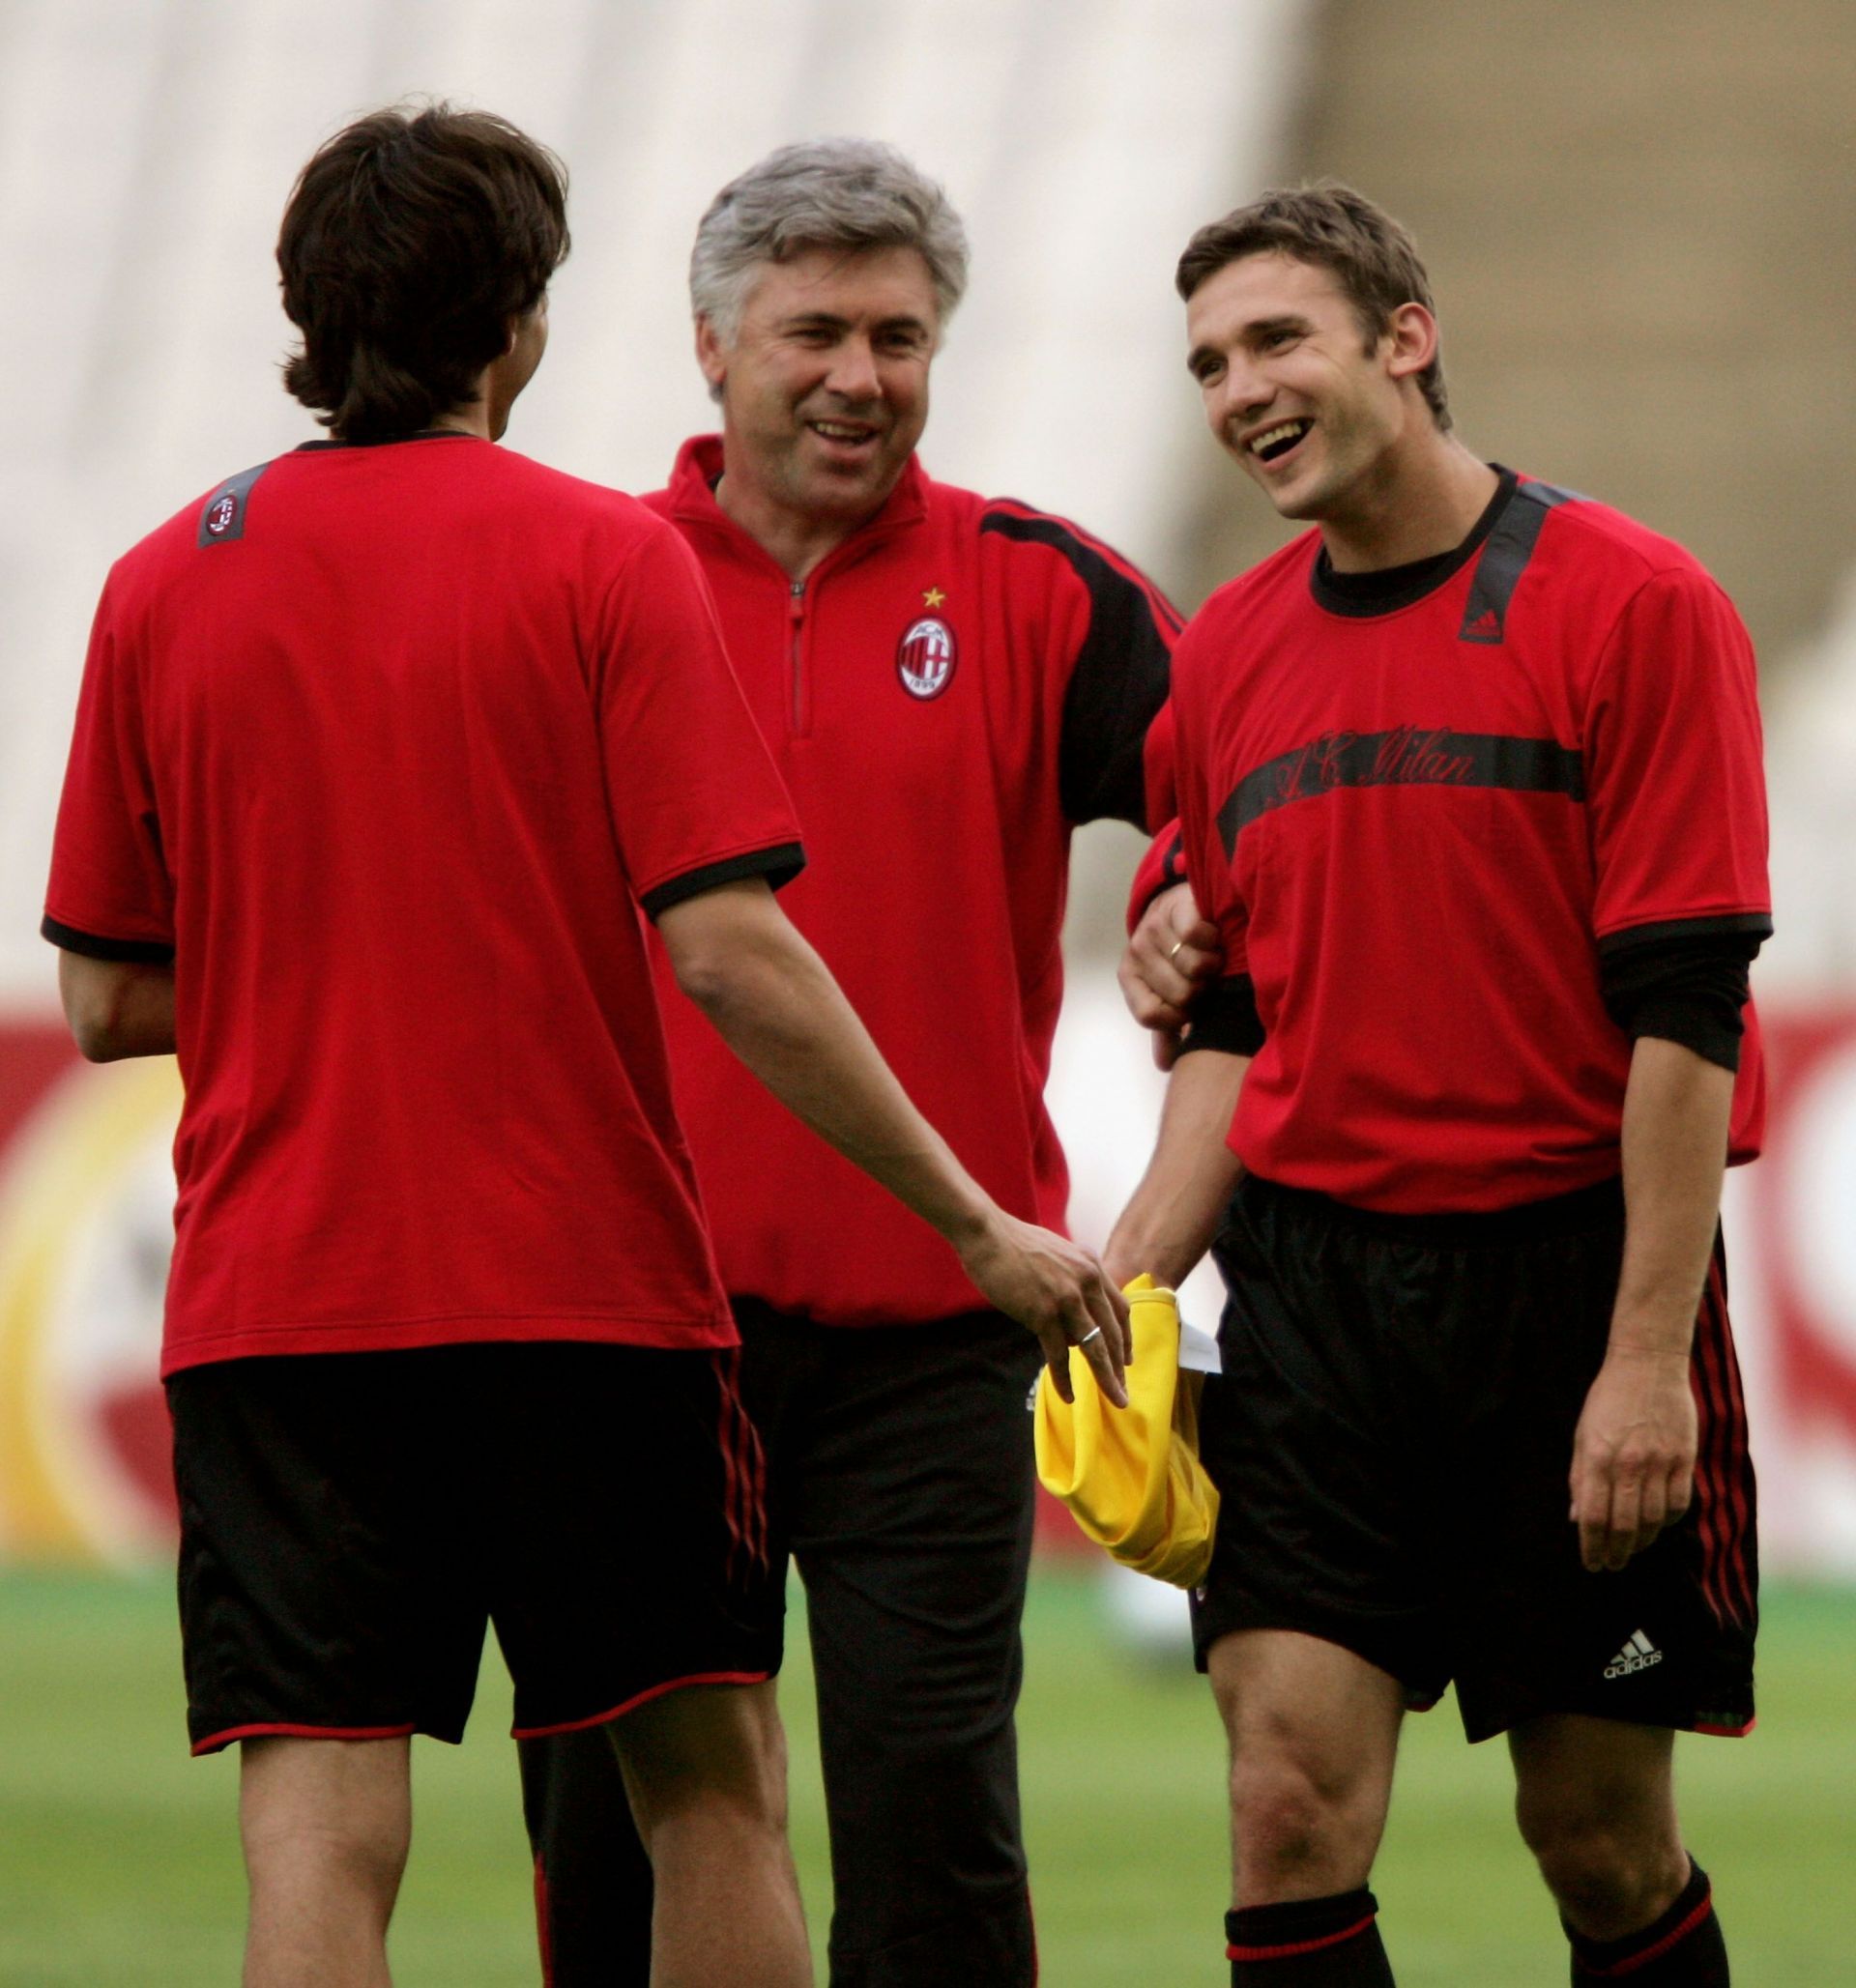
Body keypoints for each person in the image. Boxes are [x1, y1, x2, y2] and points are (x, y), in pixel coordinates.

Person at [42, 105, 1128, 1988]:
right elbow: (726, 951)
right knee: (709, 1790)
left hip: (281, 1298)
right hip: (586, 1294)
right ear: (521, 325)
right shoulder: (600, 559)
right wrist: (971, 1216)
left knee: (316, 1828)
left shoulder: (163, 577)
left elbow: (109, 999)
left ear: (306, 308)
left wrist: (337, 949)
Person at [517, 138, 1179, 1986]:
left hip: (937, 1337)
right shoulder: (581, 578)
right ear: (713, 350)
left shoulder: (1045, 588)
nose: (860, 376)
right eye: (815, 330)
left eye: (901, 336)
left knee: (937, 1824)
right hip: (631, 1324)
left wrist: (1191, 901)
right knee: (610, 1827)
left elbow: (1257, 793)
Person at [1102, 184, 1765, 1986]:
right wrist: (1135, 1271)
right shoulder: (1224, 652)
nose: (1239, 390)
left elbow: (1689, 1018)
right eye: (1209, 363)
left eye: (1276, 340)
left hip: (1569, 1290)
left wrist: (1642, 1364)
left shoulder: (1636, 605)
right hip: (1317, 1305)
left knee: (1603, 1845)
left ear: (1406, 337)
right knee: (1286, 1806)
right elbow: (1227, 998)